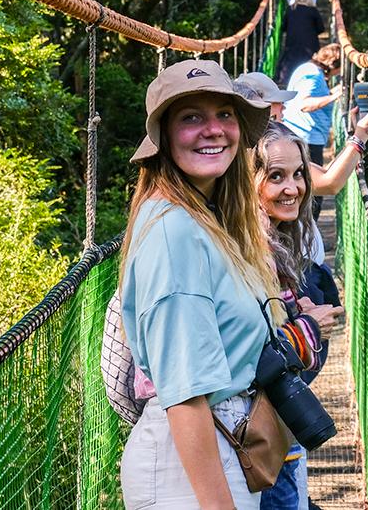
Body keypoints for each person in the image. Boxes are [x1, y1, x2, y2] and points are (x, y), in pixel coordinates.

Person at [119, 60, 283, 509]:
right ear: (164, 136)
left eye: (225, 114)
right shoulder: (176, 232)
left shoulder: (206, 220)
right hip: (190, 466)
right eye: (192, 117)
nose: (214, 130)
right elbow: (185, 394)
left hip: (219, 448)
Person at [253, 113, 368, 510]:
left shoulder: (274, 240)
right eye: (275, 177)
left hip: (274, 424)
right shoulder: (253, 249)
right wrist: (305, 324)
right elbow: (246, 353)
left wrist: (294, 312)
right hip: (254, 431)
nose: (292, 188)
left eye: (297, 175)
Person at [283, 44, 344, 168]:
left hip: (300, 135)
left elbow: (310, 95)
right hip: (307, 139)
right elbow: (304, 104)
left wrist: (332, 92)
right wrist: (334, 96)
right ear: (334, 64)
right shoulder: (314, 74)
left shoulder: (307, 68)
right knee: (311, 184)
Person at [276, 0, 324, 86]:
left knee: (289, 63)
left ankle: (285, 83)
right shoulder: (312, 5)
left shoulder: (292, 6)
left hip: (293, 43)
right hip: (311, 44)